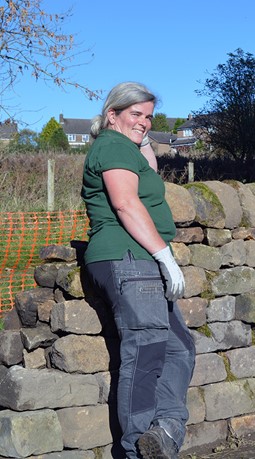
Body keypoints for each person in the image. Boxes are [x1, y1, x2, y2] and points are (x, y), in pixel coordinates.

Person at [81, 82, 195, 458]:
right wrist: (165, 255)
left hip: (141, 259)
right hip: (127, 258)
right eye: (136, 114)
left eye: (149, 116)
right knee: (145, 352)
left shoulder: (124, 146)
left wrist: (141, 134)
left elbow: (148, 169)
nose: (144, 122)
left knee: (178, 349)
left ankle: (162, 434)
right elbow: (126, 204)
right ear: (112, 114)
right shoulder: (111, 146)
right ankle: (136, 450)